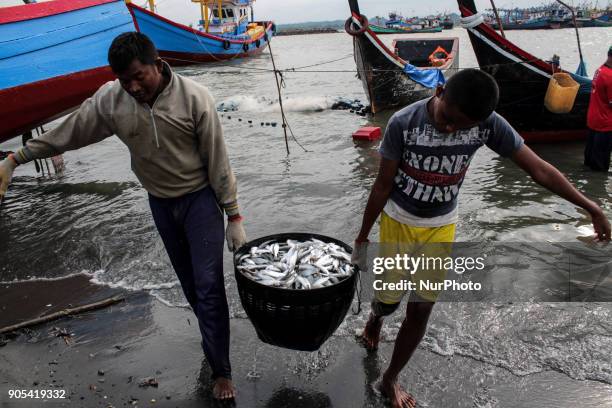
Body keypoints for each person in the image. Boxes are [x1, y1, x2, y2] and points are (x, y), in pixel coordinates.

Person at [0, 32, 245, 400]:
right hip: (160, 203)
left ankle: (221, 370)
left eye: (137, 76)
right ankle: (212, 341)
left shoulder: (195, 98)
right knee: (192, 286)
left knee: (209, 284)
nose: (132, 86)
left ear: (156, 64)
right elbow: (71, 132)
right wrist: (16, 159)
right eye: (123, 79)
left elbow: (218, 160)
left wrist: (234, 215)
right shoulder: (112, 100)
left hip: (199, 202)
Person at [351, 69, 611, 408]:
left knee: (421, 308)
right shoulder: (404, 122)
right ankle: (376, 320)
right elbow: (383, 184)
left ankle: (390, 379)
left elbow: (539, 169)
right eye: (448, 119)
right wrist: (363, 236)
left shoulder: (487, 124)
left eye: (461, 127)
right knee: (387, 299)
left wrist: (591, 206)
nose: (450, 130)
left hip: (442, 225)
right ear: (440, 91)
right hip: (399, 221)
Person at [584, 45, 612, 171]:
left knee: (589, 162)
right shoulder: (610, 77)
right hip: (605, 126)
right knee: (600, 168)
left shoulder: (599, 70)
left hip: (593, 122)